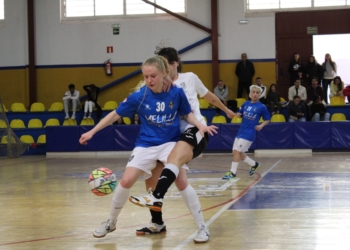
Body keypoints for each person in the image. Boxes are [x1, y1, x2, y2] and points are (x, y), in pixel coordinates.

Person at [79, 56, 217, 239]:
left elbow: (187, 114)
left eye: (153, 76)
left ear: (164, 74)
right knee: (127, 181)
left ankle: (202, 227)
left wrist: (200, 125)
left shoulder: (176, 93)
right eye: (146, 77)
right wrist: (92, 132)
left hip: (170, 142)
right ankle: (110, 222)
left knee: (182, 181)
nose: (149, 80)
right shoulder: (139, 96)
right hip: (146, 144)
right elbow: (114, 115)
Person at [129, 47, 235, 243]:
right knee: (152, 180)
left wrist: (226, 110)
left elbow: (209, 96)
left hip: (194, 131)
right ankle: (157, 223)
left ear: (176, 62)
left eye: (169, 63)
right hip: (167, 137)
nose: (166, 68)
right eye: (163, 65)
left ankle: (202, 227)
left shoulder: (190, 78)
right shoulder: (157, 85)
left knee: (178, 173)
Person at [221, 85, 270, 180]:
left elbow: (267, 119)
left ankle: (232, 173)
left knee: (236, 151)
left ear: (260, 95)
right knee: (236, 152)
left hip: (249, 133)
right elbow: (240, 113)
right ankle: (254, 164)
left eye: (257, 93)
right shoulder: (245, 104)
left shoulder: (262, 107)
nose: (255, 94)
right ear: (250, 94)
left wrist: (261, 125)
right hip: (241, 131)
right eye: (253, 92)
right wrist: (238, 114)